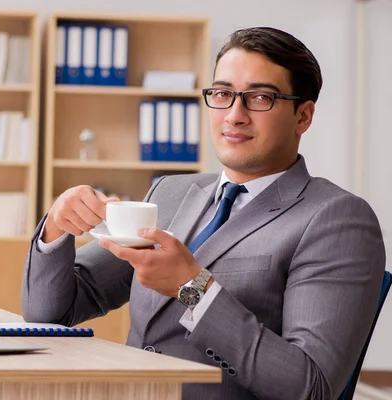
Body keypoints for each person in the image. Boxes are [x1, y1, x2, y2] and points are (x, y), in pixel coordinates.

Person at [20, 26, 386, 400]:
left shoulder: (337, 220)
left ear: (303, 116)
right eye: (223, 94)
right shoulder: (170, 193)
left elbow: (311, 388)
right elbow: (51, 312)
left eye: (260, 97)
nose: (235, 114)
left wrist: (193, 289)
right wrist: (56, 229)